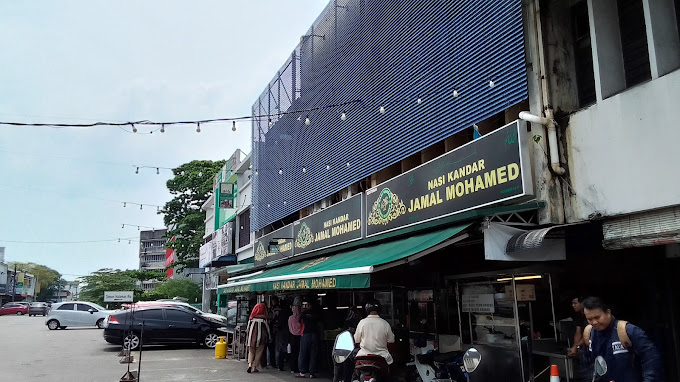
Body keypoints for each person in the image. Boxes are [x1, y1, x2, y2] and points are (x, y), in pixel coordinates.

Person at [582, 296, 663, 382]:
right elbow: (587, 365)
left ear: (608, 313)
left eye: (597, 317)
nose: (594, 322)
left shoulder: (629, 331)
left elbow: (651, 361)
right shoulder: (589, 334)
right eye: (589, 319)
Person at [354, 299, 395, 376]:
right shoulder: (385, 323)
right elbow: (391, 341)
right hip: (382, 357)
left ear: (367, 310)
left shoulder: (362, 322)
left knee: (355, 374)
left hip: (363, 356)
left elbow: (356, 340)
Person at [567, 296, 591, 382]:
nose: (573, 305)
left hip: (590, 345)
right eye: (572, 303)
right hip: (583, 346)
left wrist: (576, 346)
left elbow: (588, 333)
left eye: (575, 303)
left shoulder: (589, 314)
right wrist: (574, 347)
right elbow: (578, 332)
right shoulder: (579, 316)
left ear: (582, 303)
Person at [296, 298, 321, 378]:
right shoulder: (317, 313)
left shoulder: (304, 313)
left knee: (303, 353)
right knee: (313, 354)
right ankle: (312, 373)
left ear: (309, 305)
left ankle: (302, 372)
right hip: (315, 335)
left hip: (306, 334)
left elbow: (299, 321)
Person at [246, 302, 271, 374]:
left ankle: (250, 365)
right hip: (261, 339)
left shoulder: (251, 318)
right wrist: (269, 337)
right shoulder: (263, 319)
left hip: (251, 338)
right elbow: (267, 329)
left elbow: (248, 329)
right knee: (258, 353)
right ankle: (255, 367)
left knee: (251, 351)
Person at [275, 301, 293, 371]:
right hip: (289, 332)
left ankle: (280, 365)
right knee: (290, 349)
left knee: (280, 349)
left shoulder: (281, 313)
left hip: (281, 333)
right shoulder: (290, 313)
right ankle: (291, 365)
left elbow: (278, 324)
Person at [288, 299, 304, 375]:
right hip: (299, 337)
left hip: (292, 337)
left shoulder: (290, 318)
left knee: (292, 353)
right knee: (299, 353)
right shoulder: (300, 318)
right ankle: (298, 367)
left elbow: (289, 327)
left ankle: (292, 368)